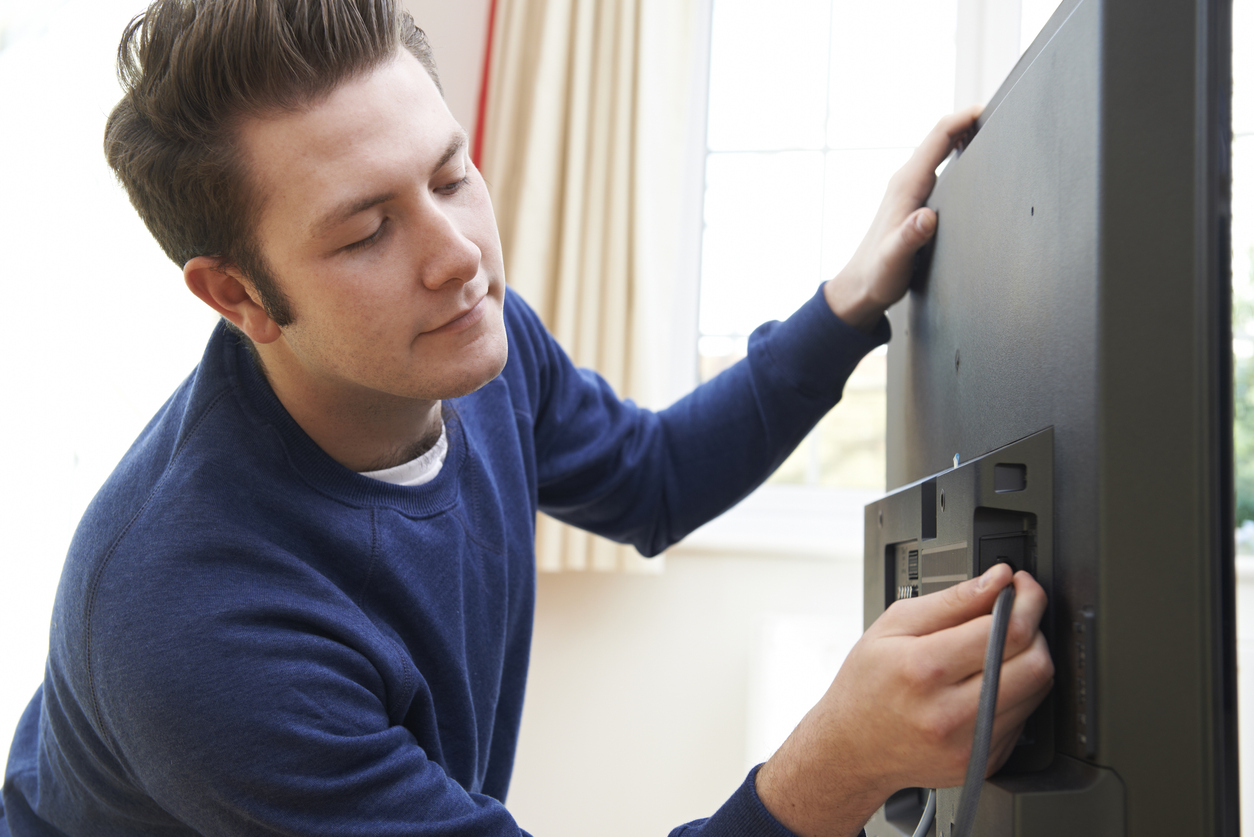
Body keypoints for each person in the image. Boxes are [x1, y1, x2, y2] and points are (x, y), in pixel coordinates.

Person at [0, 1, 1054, 835]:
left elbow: (653, 478)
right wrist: (841, 764)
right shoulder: (197, 626)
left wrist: (847, 305)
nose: (459, 254)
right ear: (237, 296)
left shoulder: (468, 350)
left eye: (452, 174)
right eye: (367, 231)